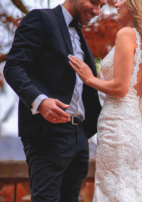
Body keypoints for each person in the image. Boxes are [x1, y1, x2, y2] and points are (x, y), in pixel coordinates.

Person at [68, 0, 142, 200]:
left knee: (116, 189)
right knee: (129, 187)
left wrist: (90, 79)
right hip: (132, 126)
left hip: (119, 127)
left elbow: (120, 88)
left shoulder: (127, 34)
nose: (116, 3)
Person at [3, 0, 105, 201]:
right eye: (94, 2)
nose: (98, 11)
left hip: (80, 137)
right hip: (48, 133)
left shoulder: (79, 33)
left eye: (102, 5)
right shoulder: (40, 18)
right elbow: (13, 66)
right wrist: (39, 102)